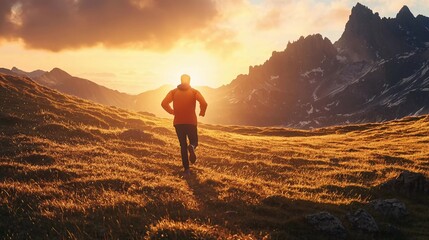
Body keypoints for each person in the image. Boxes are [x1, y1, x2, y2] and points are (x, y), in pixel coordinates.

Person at [161, 74, 208, 175]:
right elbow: (204, 103)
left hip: (178, 122)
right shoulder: (194, 92)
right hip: (191, 122)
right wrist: (202, 112)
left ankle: (187, 170)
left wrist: (172, 111)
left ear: (181, 80)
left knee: (183, 145)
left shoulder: (173, 92)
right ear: (189, 81)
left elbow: (164, 103)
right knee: (194, 142)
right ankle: (192, 146)